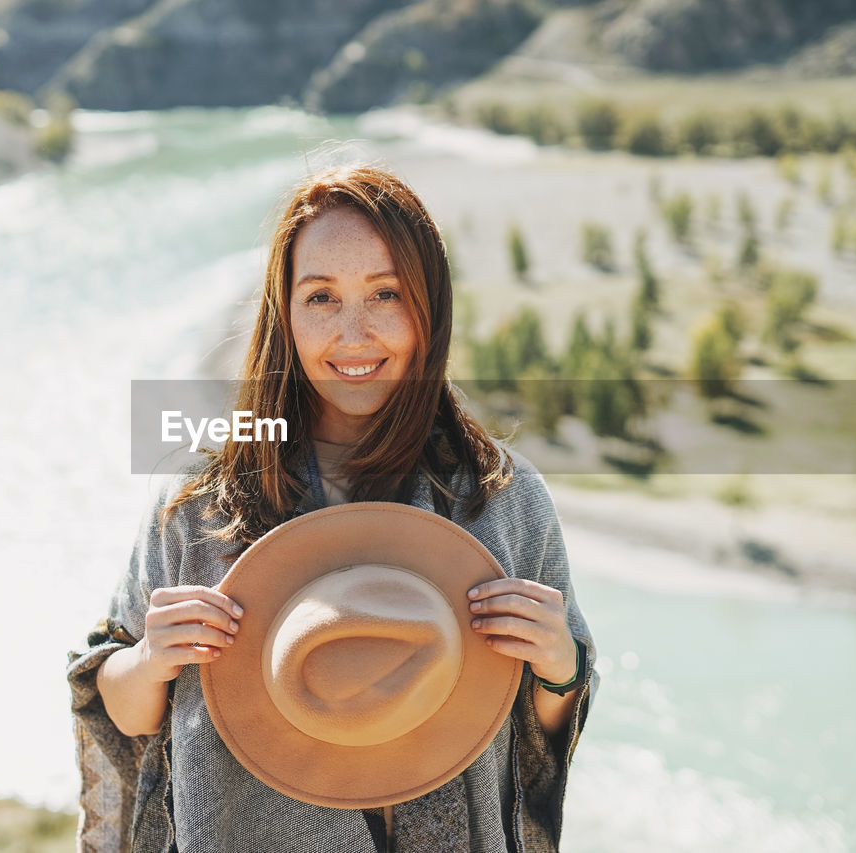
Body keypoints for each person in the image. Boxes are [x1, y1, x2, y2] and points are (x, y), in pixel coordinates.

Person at [66, 164, 599, 853]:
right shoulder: (199, 504)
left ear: (429, 308)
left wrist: (560, 663)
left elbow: (545, 731)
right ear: (282, 313)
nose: (354, 334)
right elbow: (120, 707)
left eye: (386, 293)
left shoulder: (503, 498)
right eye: (321, 297)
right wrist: (148, 659)